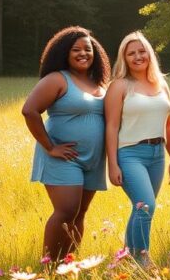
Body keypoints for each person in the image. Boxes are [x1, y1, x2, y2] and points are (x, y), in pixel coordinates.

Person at [22, 26, 110, 262]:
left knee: (80, 213)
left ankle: (68, 266)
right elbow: (30, 111)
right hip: (63, 156)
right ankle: (49, 267)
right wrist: (50, 147)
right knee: (66, 210)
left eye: (88, 49)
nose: (83, 53)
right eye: (76, 50)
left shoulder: (99, 83)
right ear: (64, 53)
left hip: (93, 159)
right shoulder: (57, 79)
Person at [104, 31, 170, 266]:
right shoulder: (119, 86)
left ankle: (127, 257)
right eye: (131, 53)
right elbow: (112, 126)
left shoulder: (161, 84)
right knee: (146, 205)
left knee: (140, 209)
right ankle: (143, 261)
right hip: (130, 154)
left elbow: (168, 124)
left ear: (149, 53)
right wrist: (112, 163)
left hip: (157, 155)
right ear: (124, 58)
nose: (137, 56)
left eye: (141, 51)